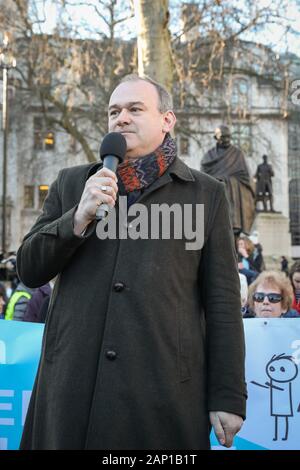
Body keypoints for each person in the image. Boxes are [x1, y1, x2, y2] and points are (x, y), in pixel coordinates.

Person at [17, 74, 246, 450]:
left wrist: (228, 395)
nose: (121, 118)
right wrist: (77, 218)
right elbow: (29, 268)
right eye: (114, 110)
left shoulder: (207, 194)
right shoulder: (73, 184)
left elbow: (222, 302)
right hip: (71, 393)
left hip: (161, 395)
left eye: (134, 109)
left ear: (166, 120)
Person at [201, 125, 255, 236]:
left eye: (228, 137)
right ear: (216, 137)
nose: (226, 140)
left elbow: (245, 177)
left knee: (232, 183)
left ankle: (234, 224)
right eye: (223, 137)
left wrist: (229, 180)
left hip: (233, 198)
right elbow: (203, 177)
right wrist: (218, 180)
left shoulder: (237, 154)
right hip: (215, 197)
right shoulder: (209, 156)